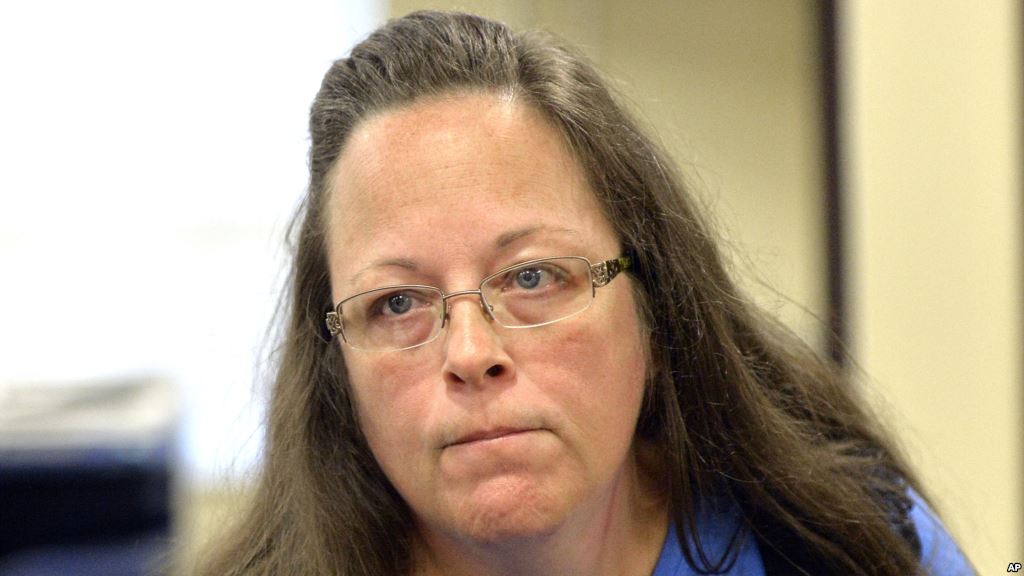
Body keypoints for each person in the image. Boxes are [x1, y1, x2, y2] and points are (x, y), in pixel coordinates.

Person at [196, 10, 974, 576]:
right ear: (337, 372)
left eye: (533, 277)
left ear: (655, 310)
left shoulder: (847, 541)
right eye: (397, 304)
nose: (472, 353)